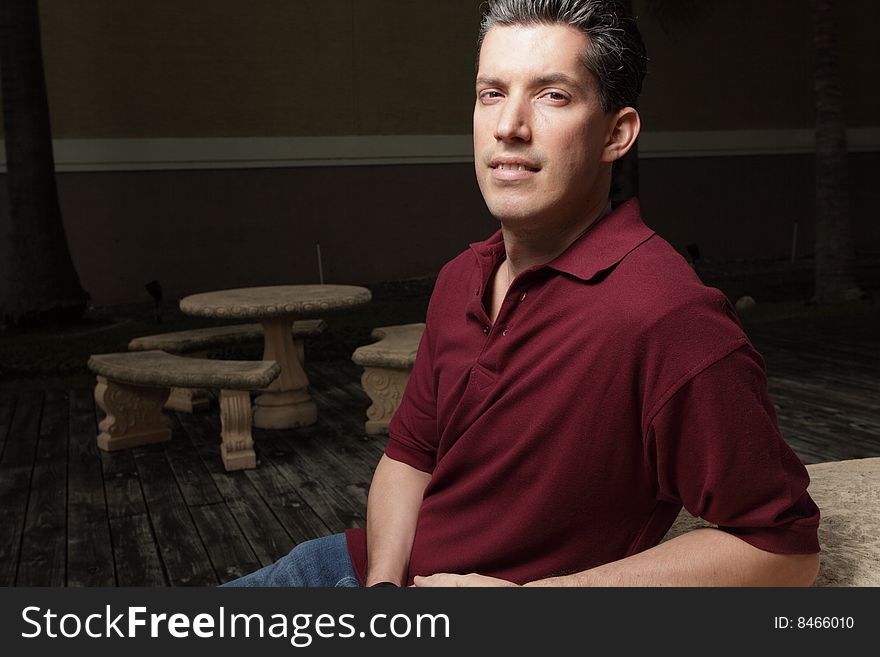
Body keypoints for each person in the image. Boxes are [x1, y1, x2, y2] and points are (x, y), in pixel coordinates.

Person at [225, 0, 820, 588]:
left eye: (551, 94)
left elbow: (784, 550)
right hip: (348, 568)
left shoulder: (668, 316)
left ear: (617, 134)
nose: (509, 125)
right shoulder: (462, 275)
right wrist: (384, 590)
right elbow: (410, 457)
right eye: (492, 93)